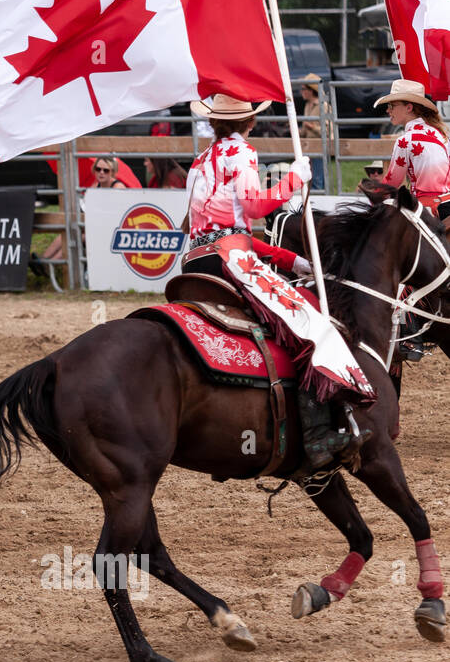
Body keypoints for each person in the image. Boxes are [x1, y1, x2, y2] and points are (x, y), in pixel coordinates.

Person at [181, 93, 372, 469]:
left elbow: (206, 228)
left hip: (193, 263)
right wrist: (293, 180)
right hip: (229, 261)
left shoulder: (199, 162)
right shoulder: (243, 153)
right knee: (308, 322)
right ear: (249, 122)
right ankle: (317, 434)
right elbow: (253, 208)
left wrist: (289, 259)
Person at [374, 79, 450, 216]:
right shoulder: (441, 135)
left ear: (409, 108)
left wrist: (373, 197)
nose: (388, 110)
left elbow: (392, 182)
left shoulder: (405, 141)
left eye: (392, 106)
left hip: (426, 208)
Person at [299, 73, 333, 190]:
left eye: (303, 89)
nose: (301, 91)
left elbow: (329, 132)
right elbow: (304, 131)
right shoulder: (307, 106)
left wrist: (312, 128)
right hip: (309, 148)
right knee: (310, 180)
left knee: (317, 181)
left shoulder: (323, 106)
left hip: (319, 148)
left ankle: (316, 205)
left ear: (311, 90)